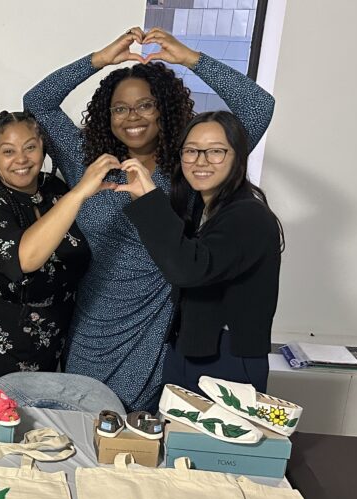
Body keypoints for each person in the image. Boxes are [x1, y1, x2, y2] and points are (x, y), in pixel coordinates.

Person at [23, 26, 275, 411]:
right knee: (81, 424)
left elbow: (258, 106)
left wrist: (191, 58)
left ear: (165, 108)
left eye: (145, 105)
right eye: (119, 109)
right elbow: (37, 102)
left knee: (139, 445)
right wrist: (99, 60)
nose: (131, 117)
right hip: (93, 321)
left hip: (157, 330)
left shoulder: (190, 165)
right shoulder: (89, 163)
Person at [116, 111, 282, 392]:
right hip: (191, 350)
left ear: (238, 157)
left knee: (217, 437)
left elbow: (187, 268)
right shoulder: (206, 210)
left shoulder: (248, 216)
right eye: (191, 151)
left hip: (227, 358)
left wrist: (148, 199)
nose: (201, 161)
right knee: (174, 435)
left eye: (215, 151)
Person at [0, 110, 112, 394]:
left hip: (51, 347)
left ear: (43, 148)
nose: (21, 159)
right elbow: (26, 258)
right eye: (8, 151)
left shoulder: (54, 190)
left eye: (30, 147)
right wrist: (79, 194)